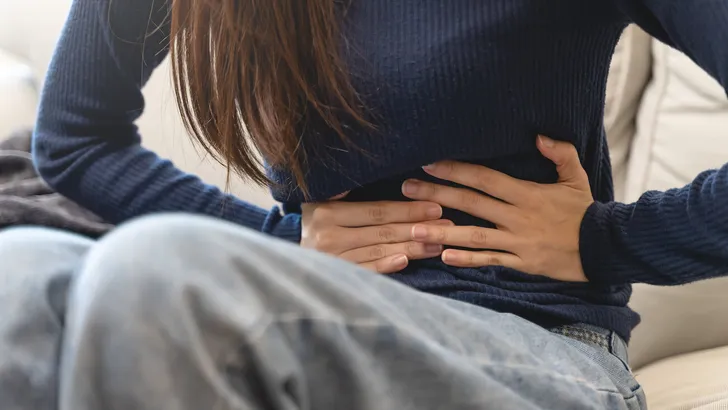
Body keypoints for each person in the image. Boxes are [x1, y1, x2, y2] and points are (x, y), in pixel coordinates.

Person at [1, 0, 727, 408]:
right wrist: (278, 241)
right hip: (308, 317)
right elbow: (75, 138)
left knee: (159, 271)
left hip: (539, 352)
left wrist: (605, 241)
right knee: (19, 278)